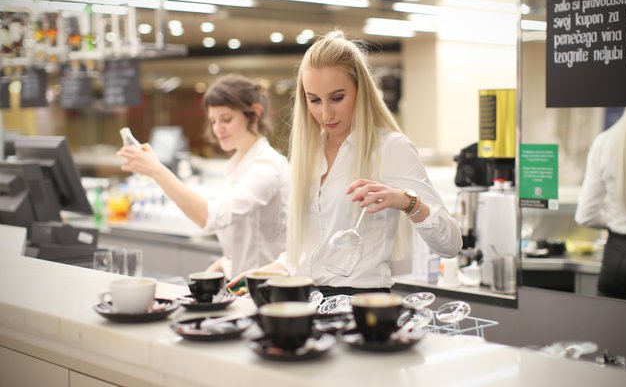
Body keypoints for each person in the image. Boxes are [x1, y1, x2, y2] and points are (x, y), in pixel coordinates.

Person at [229, 31, 462, 296]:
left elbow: (451, 244)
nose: (325, 113)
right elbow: (311, 254)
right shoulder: (308, 154)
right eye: (314, 100)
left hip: (361, 306)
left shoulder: (390, 148)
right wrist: (266, 272)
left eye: (337, 98)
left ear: (360, 91)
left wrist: (408, 202)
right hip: (307, 301)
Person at [117, 74, 290, 279]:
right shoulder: (242, 163)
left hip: (267, 291)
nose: (218, 129)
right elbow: (251, 239)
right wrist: (222, 264)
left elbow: (209, 218)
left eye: (226, 119)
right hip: (243, 286)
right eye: (213, 121)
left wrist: (157, 170)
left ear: (255, 113)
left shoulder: (266, 167)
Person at [575, 107, 626, 303]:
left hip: (616, 257)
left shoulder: (605, 141)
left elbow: (585, 215)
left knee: (612, 328)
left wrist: (618, 217)